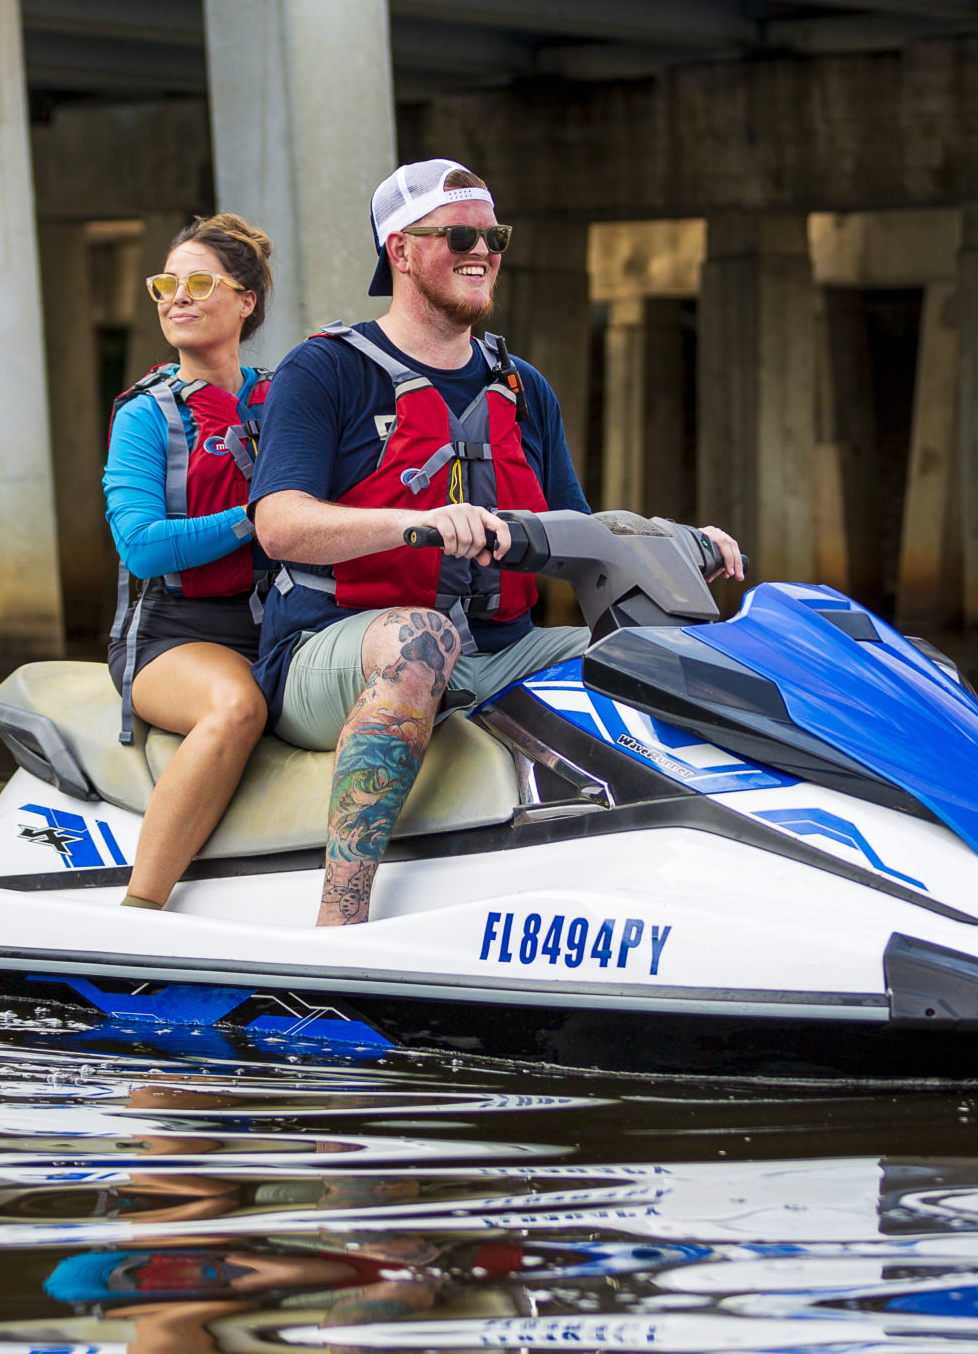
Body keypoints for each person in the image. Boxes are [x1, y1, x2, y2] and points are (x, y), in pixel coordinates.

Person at [249, 160, 742, 928]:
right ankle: (339, 920)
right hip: (330, 652)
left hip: (497, 648)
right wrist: (414, 523)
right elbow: (278, 522)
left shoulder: (522, 387)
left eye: (495, 235)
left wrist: (677, 537)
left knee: (657, 652)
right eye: (460, 235)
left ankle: (703, 875)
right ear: (401, 251)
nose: (484, 250)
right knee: (424, 636)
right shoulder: (325, 371)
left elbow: (583, 534)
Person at [101, 213, 277, 910]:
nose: (178, 296)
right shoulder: (146, 415)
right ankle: (140, 911)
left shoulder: (284, 398)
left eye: (199, 282)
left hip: (283, 622)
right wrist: (255, 519)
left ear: (246, 300)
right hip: (173, 634)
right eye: (166, 284)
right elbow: (140, 544)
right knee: (237, 707)